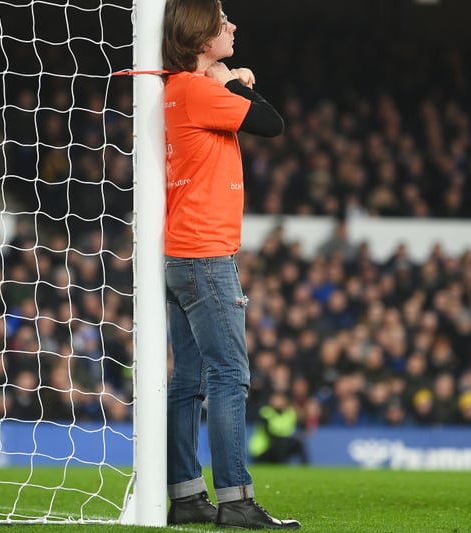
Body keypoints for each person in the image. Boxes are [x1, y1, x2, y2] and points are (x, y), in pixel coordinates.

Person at [161, 0, 300, 529]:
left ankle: (187, 494)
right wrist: (233, 81)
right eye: (223, 22)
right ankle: (237, 501)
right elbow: (272, 122)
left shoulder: (176, 91)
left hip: (180, 252)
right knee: (228, 376)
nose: (233, 26)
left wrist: (222, 79)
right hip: (206, 255)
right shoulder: (200, 90)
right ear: (202, 40)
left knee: (189, 378)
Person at [249, 391, 309, 465]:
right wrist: (284, 440)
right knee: (281, 444)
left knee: (298, 443)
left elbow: (301, 425)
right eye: (276, 399)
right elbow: (270, 434)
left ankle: (305, 465)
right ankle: (283, 465)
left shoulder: (290, 413)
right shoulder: (265, 412)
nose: (278, 402)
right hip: (263, 449)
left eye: (281, 399)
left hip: (282, 444)